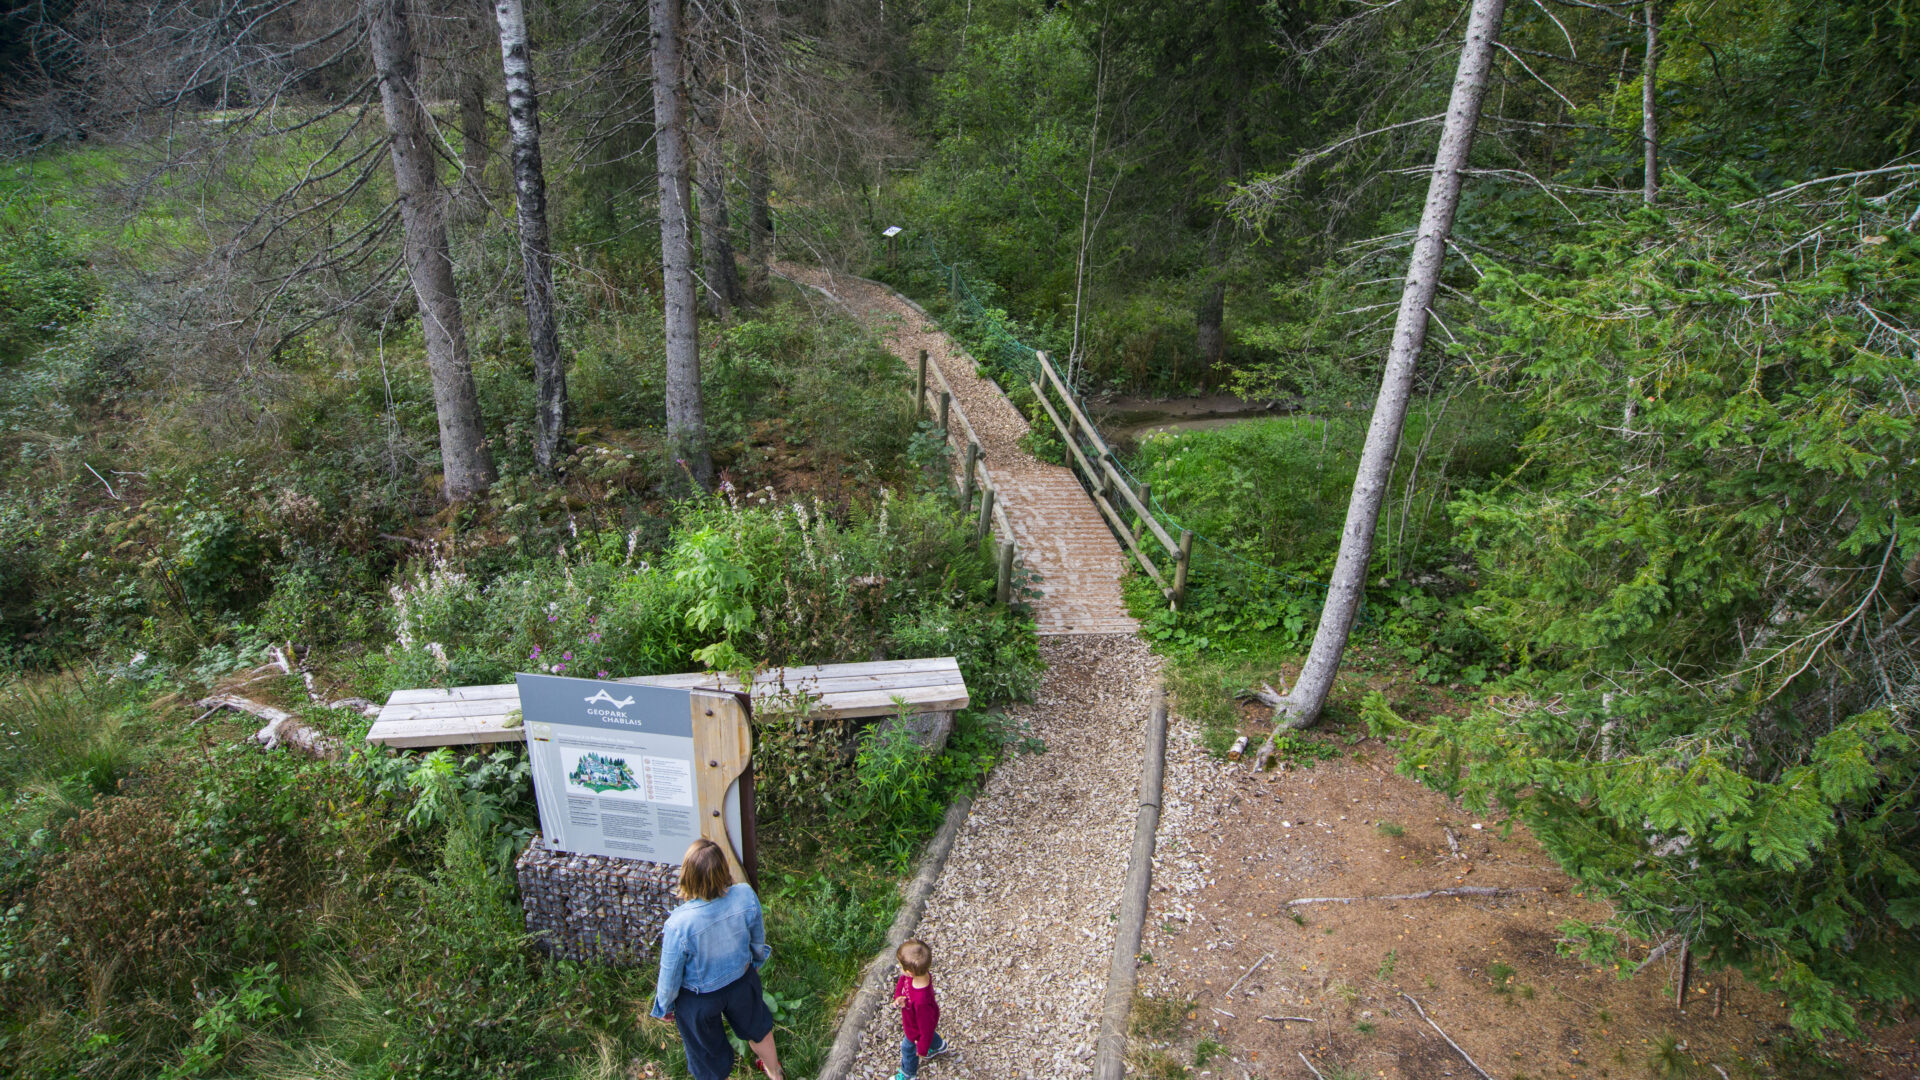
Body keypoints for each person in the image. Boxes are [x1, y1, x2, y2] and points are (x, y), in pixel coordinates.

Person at [650, 839, 784, 1080]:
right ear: (724, 869)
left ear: (688, 875)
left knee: (707, 1054)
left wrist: (665, 1005)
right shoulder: (744, 894)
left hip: (699, 999)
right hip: (741, 982)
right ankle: (775, 1072)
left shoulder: (678, 924)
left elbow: (670, 975)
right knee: (759, 1029)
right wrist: (754, 962)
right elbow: (757, 936)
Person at [891, 938, 949, 1079]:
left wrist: (922, 1048)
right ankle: (939, 1046)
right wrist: (898, 997)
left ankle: (908, 1074)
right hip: (915, 1018)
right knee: (926, 1036)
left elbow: (926, 1028)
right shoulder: (915, 976)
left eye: (901, 966)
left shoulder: (922, 1001)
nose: (900, 969)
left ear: (910, 972)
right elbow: (902, 983)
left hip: (915, 1026)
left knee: (907, 1049)